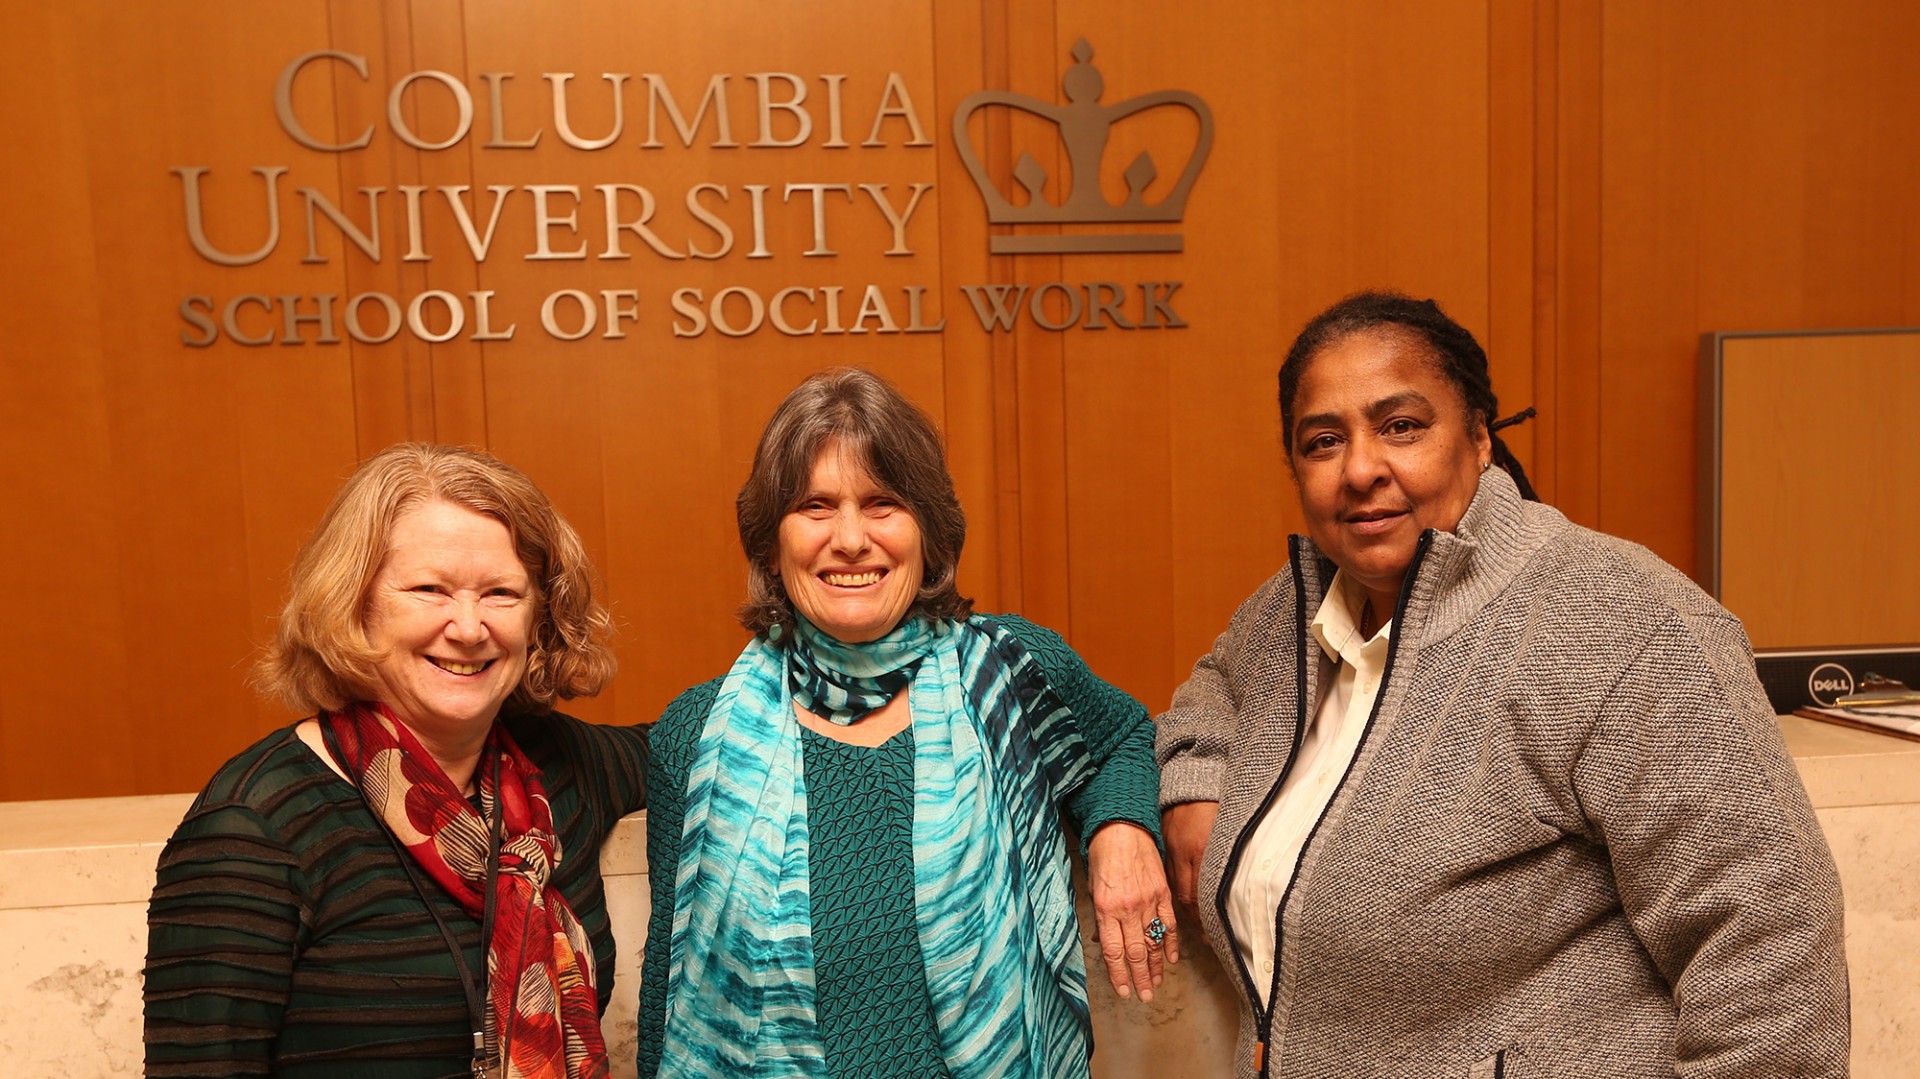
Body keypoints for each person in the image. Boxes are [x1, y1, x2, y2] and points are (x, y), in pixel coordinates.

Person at [1155, 292, 1849, 1078]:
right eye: (1323, 441)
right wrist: (1197, 779)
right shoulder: (1292, 607)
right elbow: (1211, 685)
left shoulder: (1623, 622)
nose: (1360, 468)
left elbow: (1773, 957)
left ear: (1480, 438)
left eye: (1401, 426)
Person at [637, 368, 1176, 1079]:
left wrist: (1122, 828)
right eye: (816, 506)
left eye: (883, 502)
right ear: (771, 543)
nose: (852, 538)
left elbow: (1121, 739)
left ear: (930, 533)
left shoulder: (1011, 670)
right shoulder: (696, 730)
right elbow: (670, 986)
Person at [144, 443, 646, 1079]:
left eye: (500, 593)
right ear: (355, 605)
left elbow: (716, 729)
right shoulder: (254, 829)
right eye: (429, 590)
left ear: (539, 617)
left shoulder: (560, 768)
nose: (468, 628)